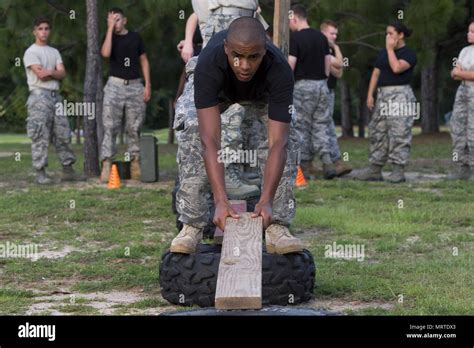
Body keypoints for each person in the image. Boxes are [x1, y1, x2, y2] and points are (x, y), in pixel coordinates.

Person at [170, 17, 303, 255]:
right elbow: (210, 141)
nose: (244, 65)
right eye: (237, 56)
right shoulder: (209, 65)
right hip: (219, 88)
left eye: (254, 57)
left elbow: (277, 144)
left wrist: (266, 199)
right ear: (226, 50)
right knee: (191, 131)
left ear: (264, 52)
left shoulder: (279, 70)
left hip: (262, 93)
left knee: (290, 139)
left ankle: (277, 225)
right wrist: (221, 201)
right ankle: (192, 225)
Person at [23, 16, 85, 185]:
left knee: (63, 133)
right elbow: (41, 76)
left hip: (55, 98)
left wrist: (50, 72)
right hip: (39, 97)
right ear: (34, 31)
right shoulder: (31, 52)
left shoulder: (54, 52)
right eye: (40, 28)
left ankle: (68, 170)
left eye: (46, 28)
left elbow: (62, 73)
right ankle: (41, 171)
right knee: (40, 134)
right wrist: (53, 72)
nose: (44, 31)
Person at [354, 22, 417, 183]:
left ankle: (398, 170)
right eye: (386, 33)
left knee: (399, 133)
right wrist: (370, 94)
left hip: (400, 96)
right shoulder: (383, 53)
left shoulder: (408, 53)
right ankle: (375, 169)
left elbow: (396, 68)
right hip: (382, 96)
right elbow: (376, 73)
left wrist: (390, 50)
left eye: (390, 33)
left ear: (400, 35)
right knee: (378, 132)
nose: (387, 37)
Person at [100, 7, 151, 182]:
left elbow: (144, 60)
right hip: (115, 85)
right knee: (110, 126)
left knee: (134, 126)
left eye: (118, 19)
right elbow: (105, 53)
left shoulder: (135, 37)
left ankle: (135, 162)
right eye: (112, 20)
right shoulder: (109, 37)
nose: (116, 23)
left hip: (135, 85)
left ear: (125, 20)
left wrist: (147, 85)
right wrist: (109, 29)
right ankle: (107, 162)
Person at [288, 5, 335, 180]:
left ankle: (305, 166)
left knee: (302, 127)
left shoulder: (296, 39)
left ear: (294, 18)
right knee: (321, 124)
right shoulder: (321, 38)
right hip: (322, 85)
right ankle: (327, 161)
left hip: (303, 87)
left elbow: (290, 66)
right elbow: (328, 63)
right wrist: (324, 81)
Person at [320, 19, 352, 177]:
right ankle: (331, 161)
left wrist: (335, 51)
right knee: (324, 126)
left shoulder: (330, 50)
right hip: (321, 92)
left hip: (330, 91)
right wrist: (337, 48)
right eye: (331, 33)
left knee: (327, 124)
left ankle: (332, 161)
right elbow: (339, 64)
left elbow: (339, 71)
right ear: (323, 32)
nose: (334, 37)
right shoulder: (321, 47)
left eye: (336, 35)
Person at [448, 21, 474, 180]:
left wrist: (461, 73)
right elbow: (453, 73)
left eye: (472, 31)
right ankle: (462, 167)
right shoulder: (465, 51)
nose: (468, 34)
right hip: (462, 91)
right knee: (457, 128)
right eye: (468, 31)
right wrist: (462, 73)